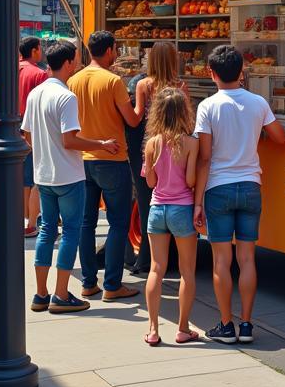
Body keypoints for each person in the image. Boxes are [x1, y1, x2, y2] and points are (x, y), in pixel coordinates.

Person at [194, 44, 285, 344]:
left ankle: (225, 325)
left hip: (218, 188)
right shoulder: (258, 102)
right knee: (247, 258)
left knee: (221, 260)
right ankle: (246, 324)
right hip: (250, 185)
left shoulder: (208, 106)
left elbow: (205, 157)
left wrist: (198, 199)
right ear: (242, 73)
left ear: (212, 73)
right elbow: (280, 138)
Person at [23, 40, 118, 315]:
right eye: (75, 60)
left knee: (46, 231)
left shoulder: (36, 93)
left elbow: (27, 135)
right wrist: (101, 144)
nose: (77, 64)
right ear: (67, 64)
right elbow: (70, 140)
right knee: (70, 233)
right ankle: (61, 294)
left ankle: (41, 293)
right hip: (68, 175)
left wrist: (42, 150)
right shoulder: (66, 97)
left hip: (44, 174)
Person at [69, 30, 142, 301]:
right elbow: (132, 120)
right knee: (118, 222)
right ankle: (112, 284)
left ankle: (88, 283)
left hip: (83, 159)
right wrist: (143, 99)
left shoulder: (74, 80)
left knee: (86, 223)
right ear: (110, 50)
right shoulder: (113, 81)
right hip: (112, 159)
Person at [142, 87, 199, 346]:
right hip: (182, 209)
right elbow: (190, 180)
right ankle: (183, 328)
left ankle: (153, 329)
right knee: (187, 272)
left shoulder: (152, 144)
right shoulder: (191, 143)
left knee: (157, 268)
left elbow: (151, 183)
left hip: (157, 210)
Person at [130, 42, 189, 276]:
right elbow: (187, 121)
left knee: (149, 202)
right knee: (177, 197)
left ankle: (148, 256)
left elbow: (136, 118)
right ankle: (175, 253)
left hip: (151, 146)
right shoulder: (181, 86)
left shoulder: (144, 85)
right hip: (175, 147)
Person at [18, 37, 48, 237]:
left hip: (11, 127)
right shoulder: (39, 74)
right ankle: (31, 222)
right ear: (35, 50)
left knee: (22, 179)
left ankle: (24, 221)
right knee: (34, 179)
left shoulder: (11, 70)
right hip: (33, 129)